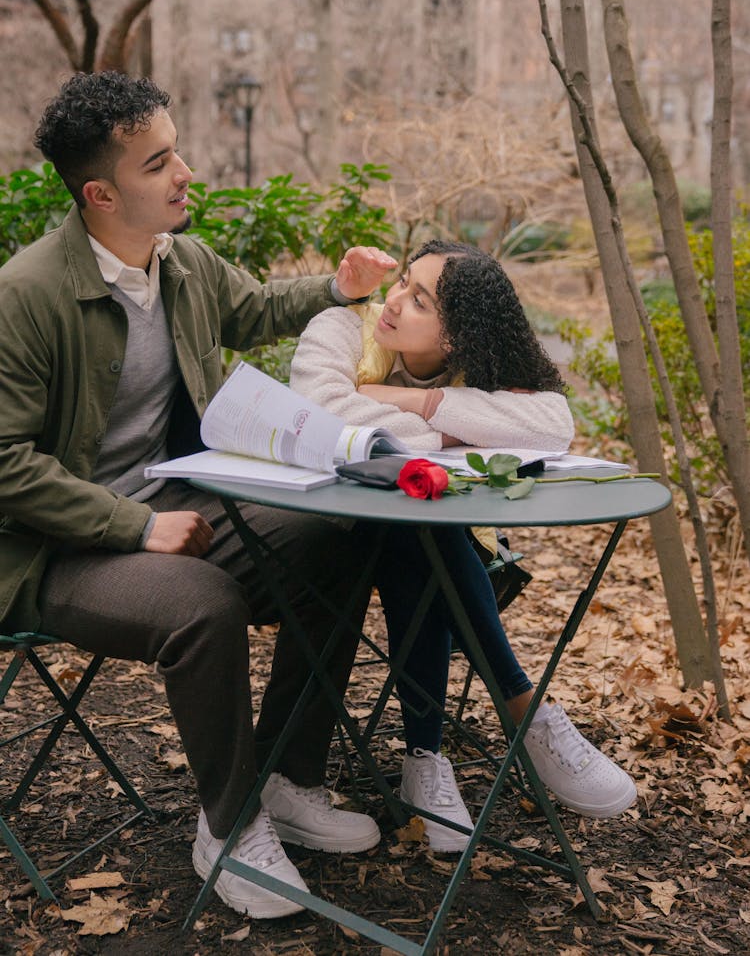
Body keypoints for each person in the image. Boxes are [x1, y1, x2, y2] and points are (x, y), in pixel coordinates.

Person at [0, 71, 406, 920]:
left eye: (177, 148)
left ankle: (289, 776)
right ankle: (228, 823)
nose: (186, 171)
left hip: (173, 503)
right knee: (204, 600)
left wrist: (340, 287)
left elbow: (252, 307)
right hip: (57, 547)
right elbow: (5, 463)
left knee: (341, 534)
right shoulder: (27, 294)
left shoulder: (179, 261)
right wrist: (133, 524)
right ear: (102, 193)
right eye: (160, 162)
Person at [290, 239, 638, 851]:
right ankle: (521, 712)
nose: (394, 300)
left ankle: (426, 761)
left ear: (455, 338)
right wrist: (456, 430)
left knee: (417, 534)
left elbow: (554, 424)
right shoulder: (341, 326)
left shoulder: (472, 367)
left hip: (416, 543)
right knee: (424, 528)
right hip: (324, 534)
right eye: (404, 284)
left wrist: (416, 403)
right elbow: (323, 412)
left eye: (420, 300)